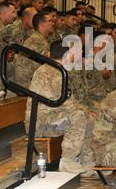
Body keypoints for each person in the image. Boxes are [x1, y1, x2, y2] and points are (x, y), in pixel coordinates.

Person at [27, 40, 96, 175]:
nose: (79, 54)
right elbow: (65, 103)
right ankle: (67, 161)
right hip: (41, 123)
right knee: (79, 116)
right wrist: (86, 111)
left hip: (53, 116)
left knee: (86, 116)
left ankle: (84, 158)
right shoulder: (51, 72)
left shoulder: (57, 69)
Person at [14, 8, 56, 88]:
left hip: (35, 80)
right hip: (27, 83)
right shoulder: (35, 40)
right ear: (41, 24)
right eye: (50, 21)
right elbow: (51, 58)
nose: (53, 24)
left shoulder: (41, 38)